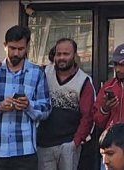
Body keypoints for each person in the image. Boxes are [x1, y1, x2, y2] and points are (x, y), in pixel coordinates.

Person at [0, 25, 52, 170]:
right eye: (12, 48)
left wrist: (28, 106)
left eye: (20, 49)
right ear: (5, 46)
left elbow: (46, 109)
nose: (16, 53)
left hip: (24, 151)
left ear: (27, 47)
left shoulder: (37, 73)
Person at [37, 38, 95, 170]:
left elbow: (88, 116)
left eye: (66, 54)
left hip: (69, 145)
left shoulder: (84, 81)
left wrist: (75, 142)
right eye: (59, 54)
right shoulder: (43, 73)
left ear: (74, 55)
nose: (62, 57)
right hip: (44, 145)